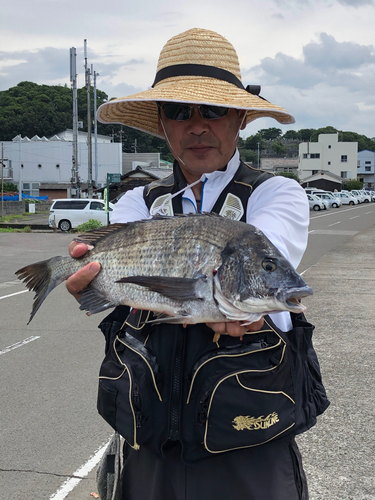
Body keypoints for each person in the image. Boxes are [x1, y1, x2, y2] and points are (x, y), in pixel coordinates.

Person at [67, 28, 329, 500]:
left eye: (213, 110)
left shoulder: (275, 193)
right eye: (179, 112)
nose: (197, 125)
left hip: (250, 435)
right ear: (162, 124)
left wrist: (233, 302)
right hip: (149, 437)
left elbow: (270, 264)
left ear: (242, 116)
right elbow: (112, 278)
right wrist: (89, 283)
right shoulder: (136, 202)